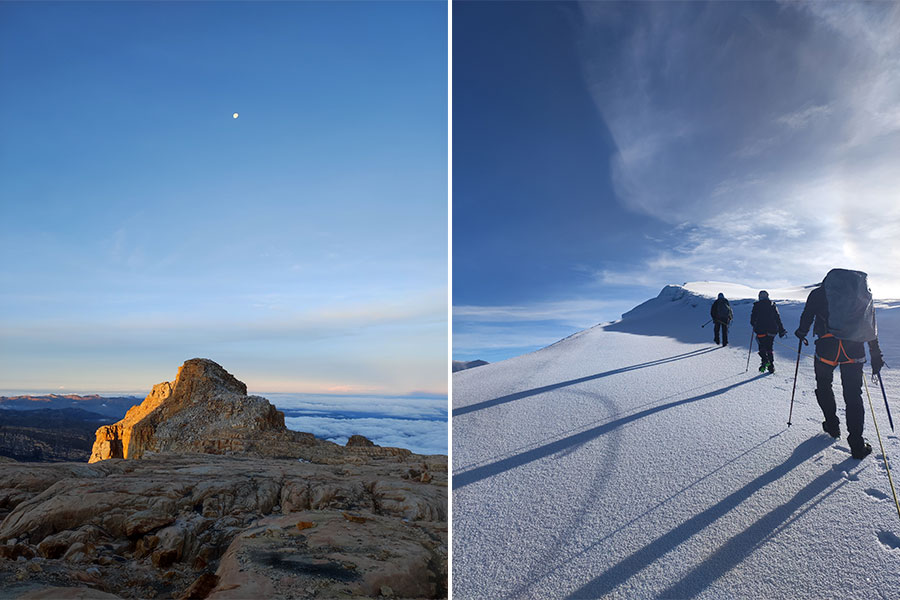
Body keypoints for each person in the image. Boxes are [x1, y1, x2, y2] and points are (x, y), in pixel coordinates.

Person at [795, 270, 885, 459]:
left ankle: (832, 425)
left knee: (824, 385)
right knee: (853, 395)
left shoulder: (818, 293)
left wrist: (801, 332)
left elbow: (807, 317)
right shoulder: (861, 294)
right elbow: (869, 325)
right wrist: (875, 353)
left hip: (827, 348)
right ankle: (857, 445)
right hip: (854, 349)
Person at [750, 290, 787, 373]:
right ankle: (771, 366)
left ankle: (764, 360)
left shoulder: (757, 305)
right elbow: (777, 318)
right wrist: (781, 329)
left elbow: (752, 320)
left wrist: (755, 327)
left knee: (762, 346)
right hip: (772, 330)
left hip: (760, 330)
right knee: (769, 347)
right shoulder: (772, 305)